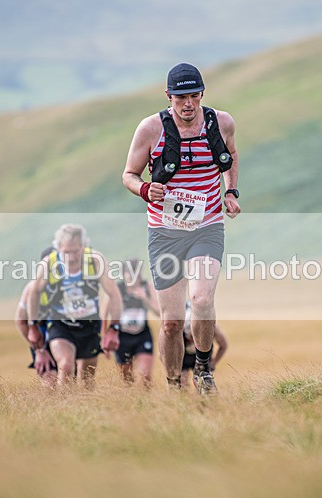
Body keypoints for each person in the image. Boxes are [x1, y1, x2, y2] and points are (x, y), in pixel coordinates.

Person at [122, 62, 240, 395]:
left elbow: (231, 155)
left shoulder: (221, 122)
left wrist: (230, 191)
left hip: (207, 226)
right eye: (180, 97)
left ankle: (203, 367)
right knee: (172, 322)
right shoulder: (150, 129)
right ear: (168, 96)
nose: (188, 104)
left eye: (193, 96)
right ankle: (175, 384)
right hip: (165, 232)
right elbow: (129, 174)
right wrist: (145, 189)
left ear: (202, 93)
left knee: (201, 299)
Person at [27, 224, 122, 387]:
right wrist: (32, 326)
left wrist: (114, 329)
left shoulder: (95, 260)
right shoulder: (49, 264)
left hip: (89, 325)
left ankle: (83, 410)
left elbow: (114, 294)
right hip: (60, 324)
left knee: (87, 378)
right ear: (58, 248)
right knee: (65, 365)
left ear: (83, 246)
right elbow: (33, 293)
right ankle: (65, 407)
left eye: (75, 251)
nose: (71, 257)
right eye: (66, 252)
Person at [111, 258, 159, 386]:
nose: (134, 278)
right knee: (127, 378)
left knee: (145, 375)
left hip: (142, 335)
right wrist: (106, 336)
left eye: (137, 275)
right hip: (122, 337)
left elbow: (158, 311)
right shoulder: (118, 289)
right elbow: (105, 312)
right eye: (130, 274)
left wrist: (145, 299)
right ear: (124, 274)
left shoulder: (146, 286)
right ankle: (131, 401)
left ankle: (146, 401)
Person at [14, 246, 57, 384]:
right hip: (41, 334)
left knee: (70, 380)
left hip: (65, 332)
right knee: (50, 382)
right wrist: (38, 350)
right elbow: (20, 321)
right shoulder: (31, 289)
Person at [181, 301, 228, 390]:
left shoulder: (210, 327)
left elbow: (223, 345)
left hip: (204, 356)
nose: (191, 338)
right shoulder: (176, 328)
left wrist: (213, 362)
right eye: (189, 335)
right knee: (182, 384)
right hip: (184, 357)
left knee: (203, 385)